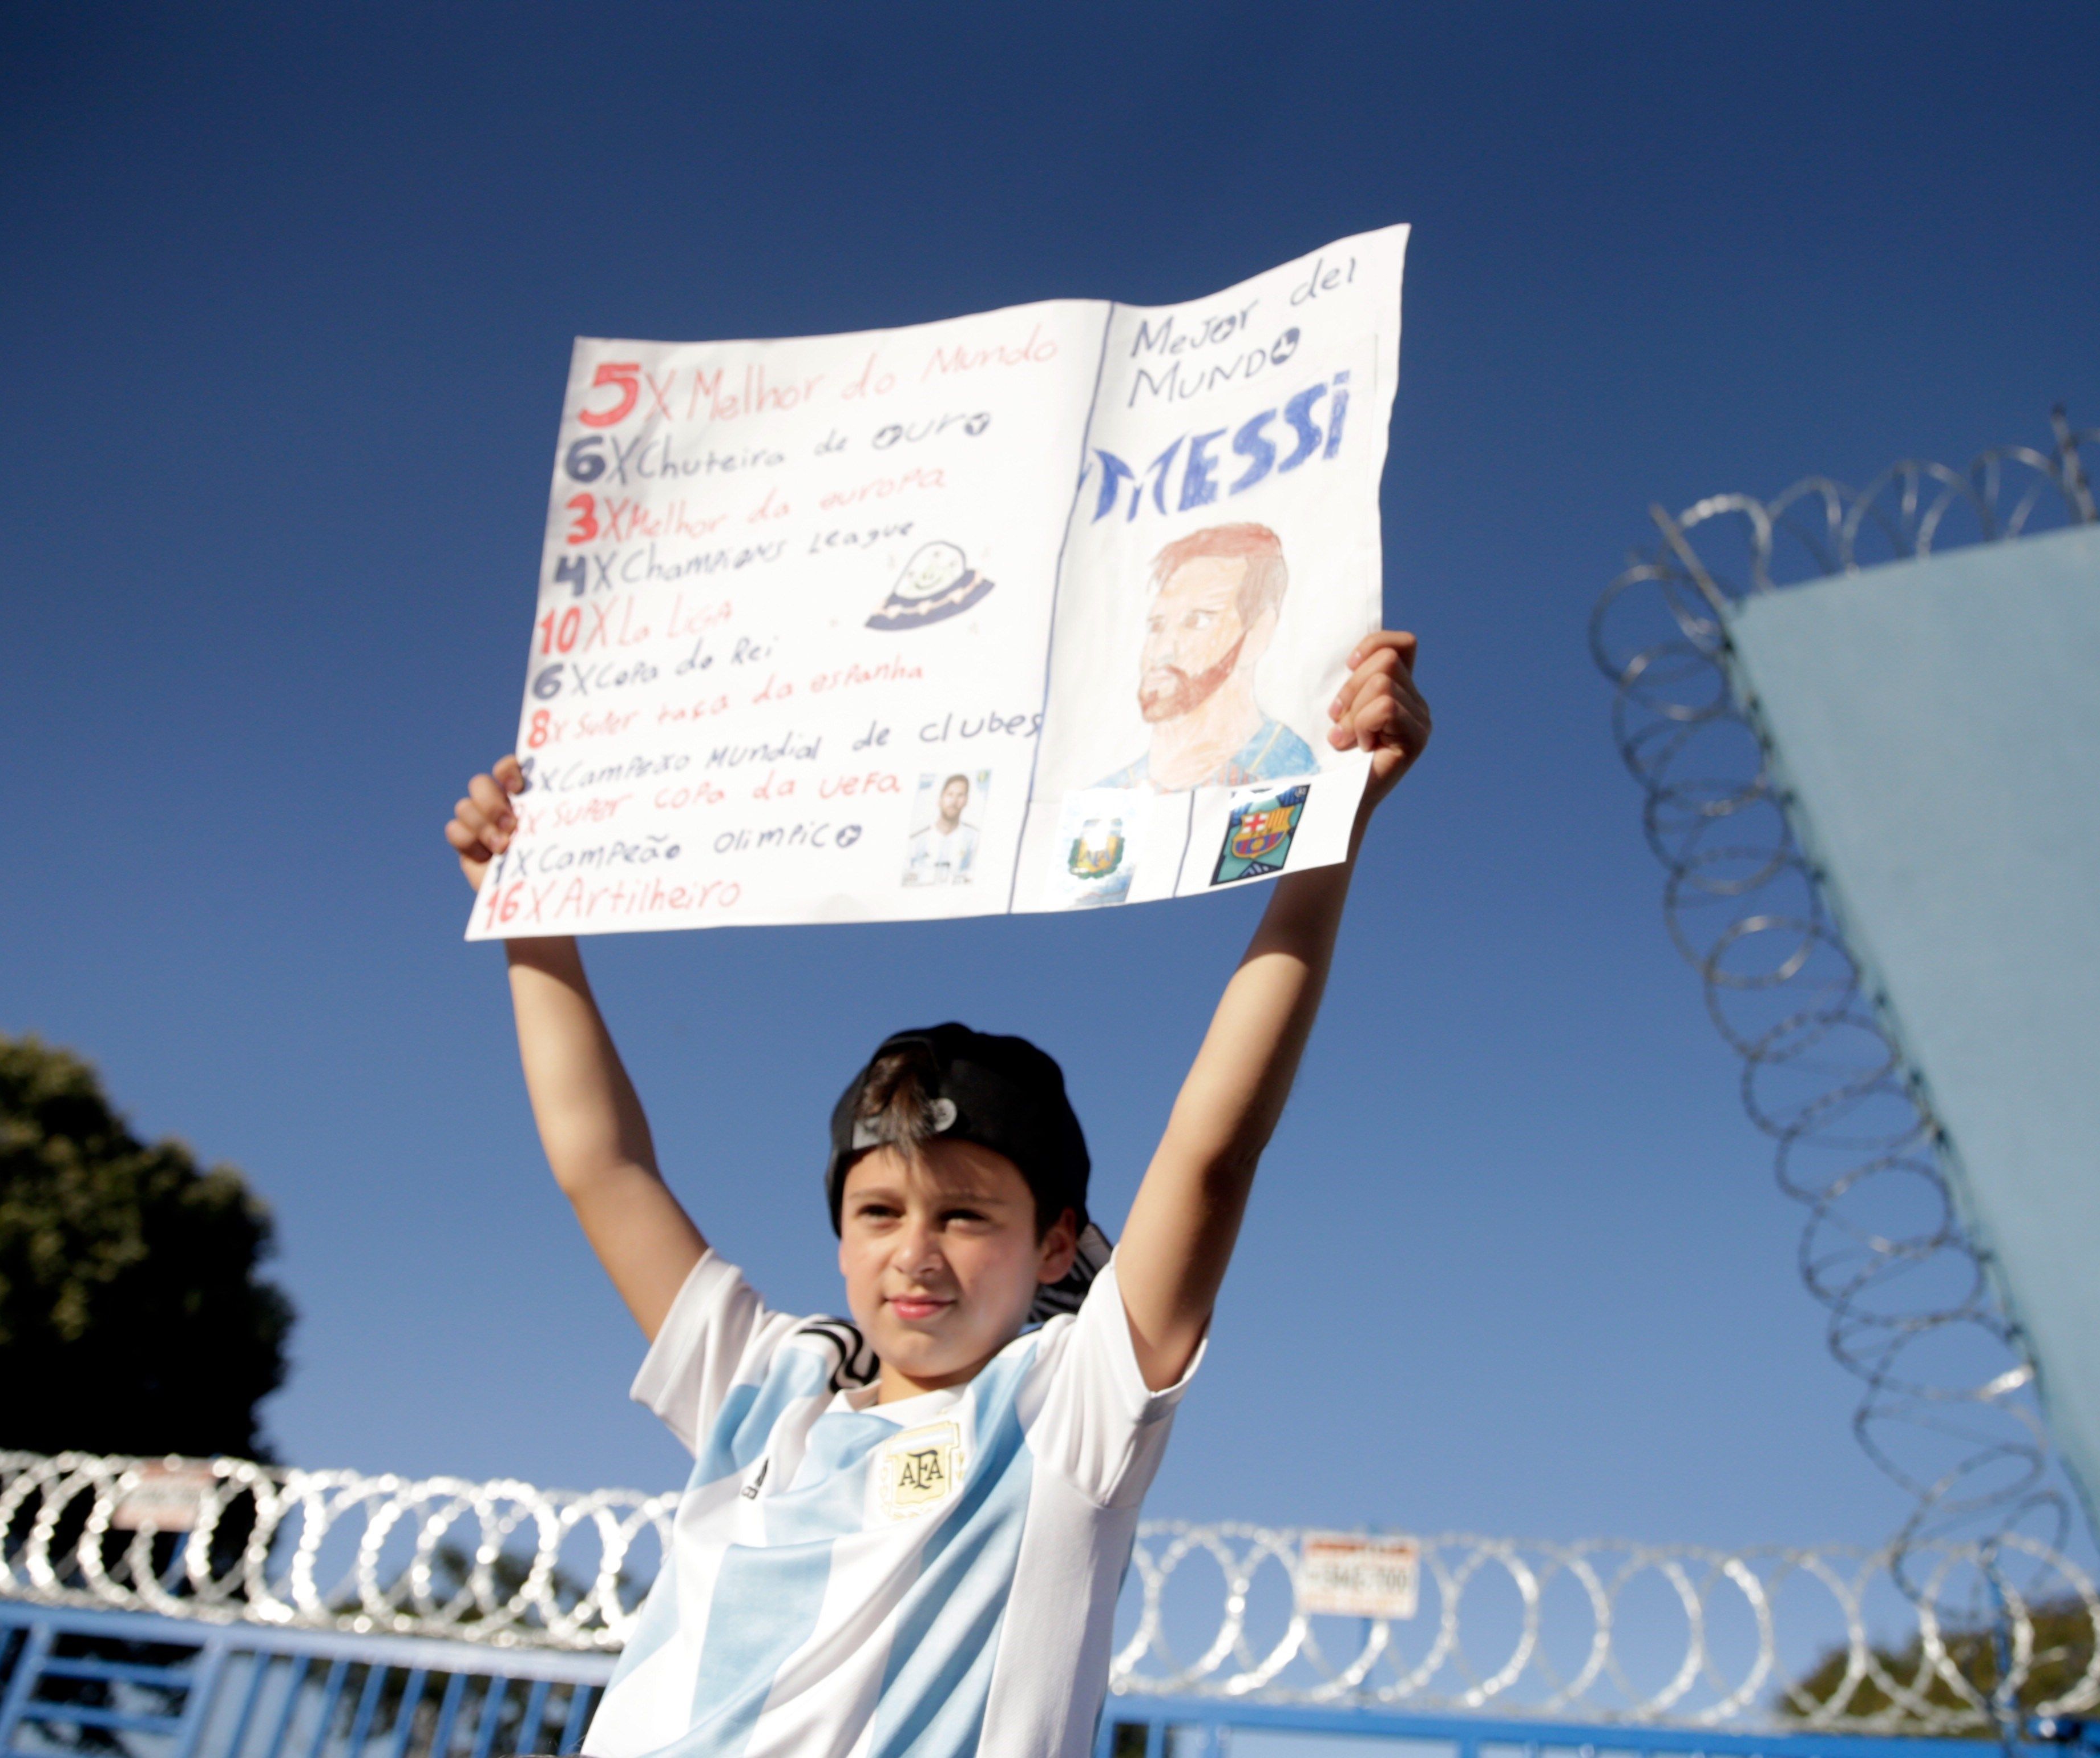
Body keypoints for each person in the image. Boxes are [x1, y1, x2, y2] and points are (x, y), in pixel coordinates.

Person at [443, 632, 1427, 1758]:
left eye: (966, 1214)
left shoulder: (1069, 1411)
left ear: (1058, 1245)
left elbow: (1213, 1148)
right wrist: (530, 914)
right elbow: (600, 1164)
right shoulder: (766, 1386)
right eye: (879, 1212)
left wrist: (1331, 832)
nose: (916, 1251)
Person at [1096, 523, 1319, 793]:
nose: (1163, 650)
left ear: (1258, 632)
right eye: (1156, 626)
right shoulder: (1106, 798)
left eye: (1197, 621)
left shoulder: (1295, 773)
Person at [905, 772, 980, 886]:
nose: (954, 801)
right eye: (950, 795)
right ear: (940, 799)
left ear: (966, 800)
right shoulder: (917, 841)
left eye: (960, 795)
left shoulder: (974, 839)